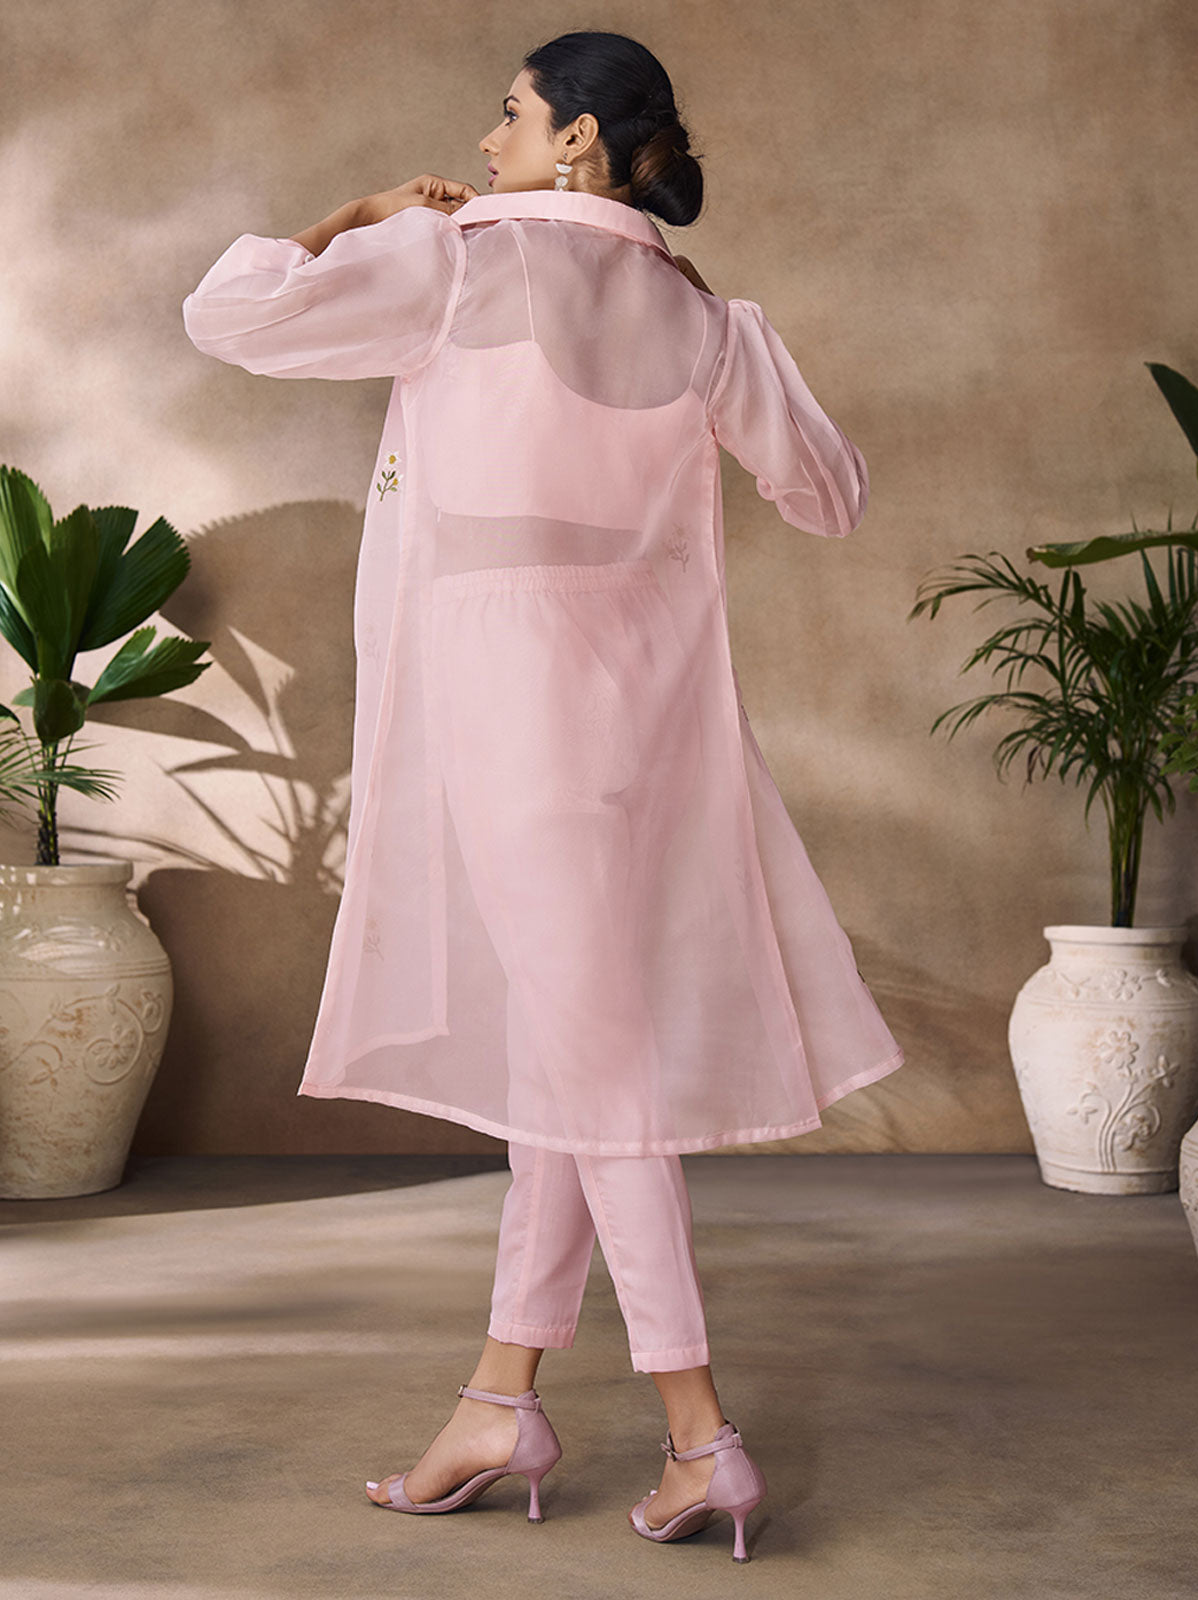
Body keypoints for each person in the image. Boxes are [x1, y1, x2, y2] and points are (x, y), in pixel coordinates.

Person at [182, 30, 904, 1564]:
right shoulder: (706, 317)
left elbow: (229, 313)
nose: (486, 139)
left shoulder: (454, 261)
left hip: (508, 701)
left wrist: (360, 214)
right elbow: (829, 493)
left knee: (593, 1063)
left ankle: (701, 1434)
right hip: (642, 714)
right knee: (572, 1055)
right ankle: (499, 1400)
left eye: (508, 113)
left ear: (576, 136)